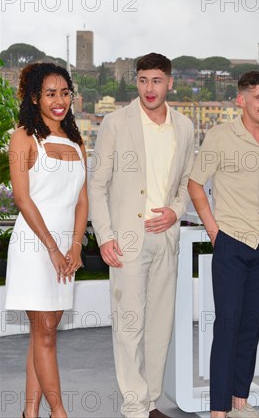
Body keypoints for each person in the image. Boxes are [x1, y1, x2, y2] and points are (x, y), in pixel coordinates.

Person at [89, 53, 195, 418]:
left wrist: (175, 212)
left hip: (166, 238)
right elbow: (97, 184)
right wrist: (104, 235)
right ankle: (134, 407)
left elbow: (184, 185)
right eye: (143, 80)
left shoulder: (184, 127)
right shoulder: (116, 123)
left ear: (170, 83)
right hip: (127, 240)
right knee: (129, 324)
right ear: (136, 82)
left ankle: (150, 402)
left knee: (159, 325)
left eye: (157, 80)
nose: (150, 88)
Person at [188, 71, 259, 418]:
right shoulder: (220, 136)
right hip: (232, 240)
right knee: (227, 325)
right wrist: (214, 230)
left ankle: (240, 402)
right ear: (241, 100)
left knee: (251, 323)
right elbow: (195, 184)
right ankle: (219, 410)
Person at [5, 63, 88, 418]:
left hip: (64, 251)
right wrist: (53, 248)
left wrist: (75, 246)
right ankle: (59, 412)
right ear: (35, 97)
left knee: (44, 333)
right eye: (51, 93)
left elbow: (83, 200)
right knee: (46, 334)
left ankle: (30, 412)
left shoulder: (76, 139)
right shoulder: (24, 136)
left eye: (65, 93)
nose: (59, 101)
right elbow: (23, 199)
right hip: (34, 248)